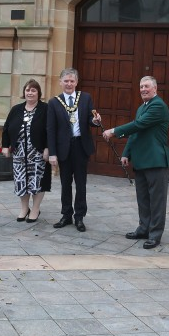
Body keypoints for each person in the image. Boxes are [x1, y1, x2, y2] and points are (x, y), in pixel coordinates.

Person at [103, 76, 169, 249]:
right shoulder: (142, 107)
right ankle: (143, 228)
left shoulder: (158, 106)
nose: (143, 89)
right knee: (143, 198)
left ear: (155, 88)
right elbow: (136, 132)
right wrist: (127, 153)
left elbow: (138, 124)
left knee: (157, 200)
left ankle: (155, 234)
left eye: (147, 86)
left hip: (156, 161)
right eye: (141, 86)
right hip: (141, 161)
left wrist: (114, 130)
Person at [46, 68, 101, 232]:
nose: (69, 84)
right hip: (63, 148)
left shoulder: (85, 98)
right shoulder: (54, 102)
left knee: (81, 184)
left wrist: (96, 121)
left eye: (72, 81)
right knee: (65, 184)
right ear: (60, 82)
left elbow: (91, 119)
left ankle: (79, 217)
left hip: (80, 146)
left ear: (76, 82)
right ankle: (66, 215)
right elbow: (51, 129)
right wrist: (52, 153)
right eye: (66, 81)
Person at [1, 79, 51, 223]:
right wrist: (5, 146)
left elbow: (50, 130)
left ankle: (35, 209)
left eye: (33, 90)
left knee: (38, 181)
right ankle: (24, 208)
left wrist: (48, 148)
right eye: (28, 90)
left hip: (38, 153)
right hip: (19, 153)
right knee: (21, 180)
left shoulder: (45, 109)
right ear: (24, 92)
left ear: (38, 93)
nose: (30, 93)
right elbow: (6, 128)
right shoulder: (16, 109)